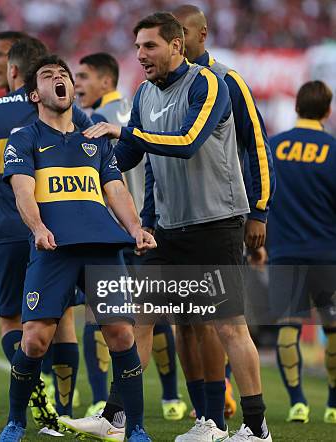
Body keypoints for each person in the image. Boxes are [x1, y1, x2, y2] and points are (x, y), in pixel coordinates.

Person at [84, 12, 272, 442]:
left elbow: (188, 143)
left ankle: (256, 427)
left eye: (149, 46)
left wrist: (124, 133)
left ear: (176, 45)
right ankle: (117, 415)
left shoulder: (209, 84)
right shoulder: (145, 92)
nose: (140, 55)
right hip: (168, 228)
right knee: (142, 320)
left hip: (215, 222)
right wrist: (89, 172)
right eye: (136, 48)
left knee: (228, 326)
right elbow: (130, 156)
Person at [0, 54, 156, 442]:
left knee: (120, 334)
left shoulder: (94, 140)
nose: (59, 79)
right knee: (33, 337)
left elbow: (115, 189)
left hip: (102, 246)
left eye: (63, 74)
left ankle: (134, 427)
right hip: (54, 247)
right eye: (49, 75)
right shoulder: (25, 137)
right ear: (36, 93)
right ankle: (16, 421)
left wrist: (136, 228)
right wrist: (37, 227)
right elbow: (23, 190)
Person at [138, 3, 274, 426]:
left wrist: (260, 211)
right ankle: (205, 415)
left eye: (184, 33)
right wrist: (148, 214)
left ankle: (220, 412)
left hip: (218, 215)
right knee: (184, 324)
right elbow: (151, 163)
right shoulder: (155, 88)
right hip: (174, 219)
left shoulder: (225, 81)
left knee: (217, 320)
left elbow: (256, 145)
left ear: (199, 36)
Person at [0, 37, 92, 430]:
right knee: (64, 321)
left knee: (12, 320)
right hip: (60, 230)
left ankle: (31, 392)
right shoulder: (69, 109)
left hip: (10, 227)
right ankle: (64, 409)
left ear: (12, 72)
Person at [71, 51, 186, 422]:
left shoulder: (94, 123)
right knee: (154, 315)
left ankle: (103, 400)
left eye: (83, 78)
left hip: (111, 231)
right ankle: (171, 397)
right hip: (150, 226)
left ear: (107, 81)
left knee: (103, 317)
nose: (76, 86)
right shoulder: (144, 113)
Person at [267, 80, 336, 424]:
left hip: (284, 254)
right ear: (328, 111)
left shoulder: (273, 147)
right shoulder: (333, 149)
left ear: (296, 108)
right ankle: (334, 404)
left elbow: (259, 197)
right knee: (334, 328)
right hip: (328, 255)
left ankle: (297, 402)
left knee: (288, 328)